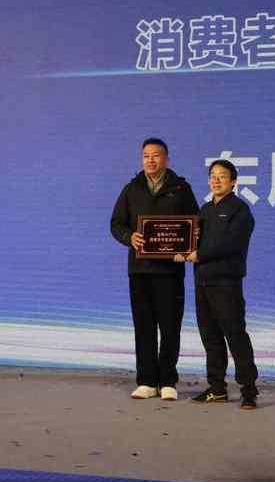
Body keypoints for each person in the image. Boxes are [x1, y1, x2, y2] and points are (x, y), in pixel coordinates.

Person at [110, 138, 199, 401]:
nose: (150, 160)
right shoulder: (132, 188)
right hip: (139, 270)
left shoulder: (181, 188)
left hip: (171, 271)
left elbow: (195, 223)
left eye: (156, 155)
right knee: (143, 326)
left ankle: (168, 380)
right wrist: (130, 237)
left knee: (170, 327)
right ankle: (147, 381)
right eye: (146, 156)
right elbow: (116, 224)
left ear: (166, 159)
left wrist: (189, 242)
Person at [176, 159, 259, 409]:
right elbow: (191, 239)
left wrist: (199, 254)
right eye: (213, 175)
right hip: (202, 281)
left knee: (235, 336)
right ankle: (217, 388)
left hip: (226, 283)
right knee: (210, 337)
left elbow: (231, 245)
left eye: (222, 175)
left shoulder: (240, 211)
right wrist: (181, 247)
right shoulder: (204, 210)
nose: (216, 179)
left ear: (233, 181)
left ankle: (249, 391)